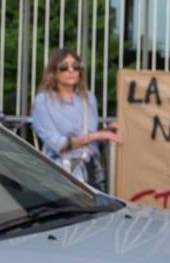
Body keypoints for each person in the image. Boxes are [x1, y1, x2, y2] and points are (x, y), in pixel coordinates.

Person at [30, 48, 120, 189]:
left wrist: (108, 131)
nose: (71, 70)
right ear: (53, 72)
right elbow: (58, 145)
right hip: (59, 174)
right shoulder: (43, 101)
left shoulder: (88, 98)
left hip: (91, 171)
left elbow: (90, 137)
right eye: (64, 67)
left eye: (76, 66)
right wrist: (98, 135)